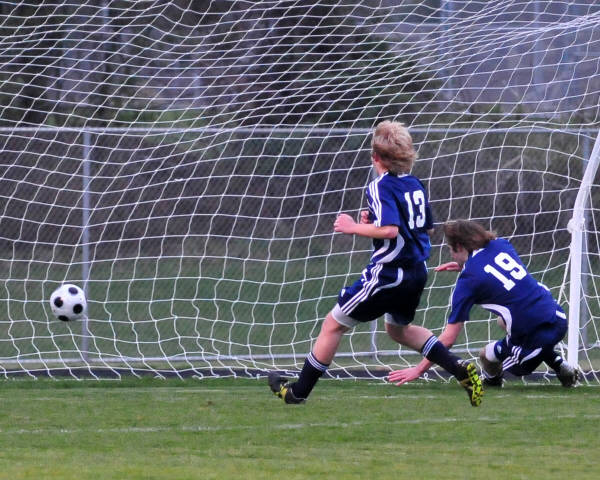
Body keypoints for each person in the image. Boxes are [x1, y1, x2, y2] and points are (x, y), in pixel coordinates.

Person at [267, 121, 483, 406]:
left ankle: (298, 392)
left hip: (389, 274)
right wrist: (374, 223)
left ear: (377, 157)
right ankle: (459, 368)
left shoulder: (380, 186)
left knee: (333, 324)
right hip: (416, 272)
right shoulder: (414, 184)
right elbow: (426, 228)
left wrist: (353, 227)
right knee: (398, 331)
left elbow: (391, 231)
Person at [388, 219, 580, 388]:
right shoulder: (501, 244)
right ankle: (558, 363)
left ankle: (492, 383)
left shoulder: (468, 281)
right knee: (502, 321)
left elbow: (448, 339)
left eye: (450, 249)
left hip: (534, 339)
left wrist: (418, 369)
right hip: (557, 317)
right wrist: (465, 267)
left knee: (485, 356)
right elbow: (496, 273)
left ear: (459, 246)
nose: (450, 254)